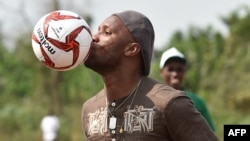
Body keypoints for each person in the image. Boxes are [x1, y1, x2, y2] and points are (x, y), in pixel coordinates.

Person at [82, 10, 219, 141]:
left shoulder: (169, 104)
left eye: (107, 32)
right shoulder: (90, 109)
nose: (93, 37)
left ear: (131, 49)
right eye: (97, 30)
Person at [159, 47, 215, 131]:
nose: (175, 74)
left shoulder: (197, 102)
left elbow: (209, 133)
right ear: (162, 72)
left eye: (179, 69)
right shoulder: (153, 101)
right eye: (170, 69)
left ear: (184, 72)